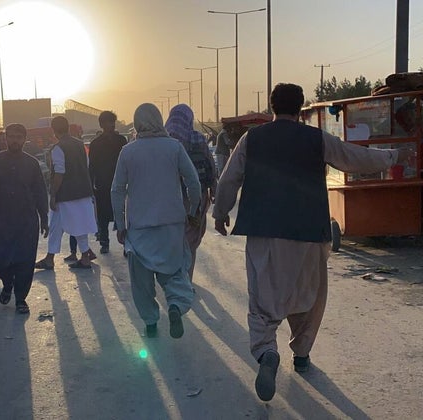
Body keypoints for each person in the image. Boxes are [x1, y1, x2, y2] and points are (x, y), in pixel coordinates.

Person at [213, 83, 412, 402]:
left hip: (264, 231)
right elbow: (355, 159)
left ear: (271, 106)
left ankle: (266, 352)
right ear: (301, 106)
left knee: (263, 299)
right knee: (309, 296)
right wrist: (395, 155)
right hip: (309, 231)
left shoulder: (253, 138)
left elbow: (229, 178)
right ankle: (302, 354)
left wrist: (220, 213)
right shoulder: (317, 138)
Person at [111, 103, 201, 339]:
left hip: (139, 228)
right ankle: (175, 306)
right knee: (175, 274)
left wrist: (120, 225)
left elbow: (117, 190)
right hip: (172, 225)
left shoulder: (128, 152)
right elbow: (193, 183)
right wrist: (193, 212)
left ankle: (151, 323)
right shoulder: (174, 147)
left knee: (141, 282)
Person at [0, 123, 49, 314]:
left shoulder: (32, 163)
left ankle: (20, 299)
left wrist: (44, 217)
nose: (15, 140)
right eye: (11, 136)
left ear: (25, 139)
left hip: (27, 220)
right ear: (5, 138)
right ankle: (7, 283)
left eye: (19, 137)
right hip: (1, 219)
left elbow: (40, 192)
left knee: (25, 261)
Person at [35, 116, 98, 270]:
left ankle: (81, 257)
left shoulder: (58, 148)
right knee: (64, 225)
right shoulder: (80, 145)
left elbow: (59, 173)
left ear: (53, 130)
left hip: (66, 195)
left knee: (67, 225)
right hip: (83, 191)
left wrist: (54, 194)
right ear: (69, 127)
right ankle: (56, 257)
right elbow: (86, 165)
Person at [164, 104, 217, 281]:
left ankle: (173, 278)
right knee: (191, 239)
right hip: (197, 198)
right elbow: (210, 166)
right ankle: (187, 278)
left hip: (169, 199)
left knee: (171, 240)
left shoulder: (164, 140)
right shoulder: (198, 138)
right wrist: (214, 189)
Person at [88, 111, 127, 254]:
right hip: (102, 184)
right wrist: (91, 184)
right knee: (103, 215)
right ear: (101, 124)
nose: (110, 125)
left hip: (120, 183)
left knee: (122, 214)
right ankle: (104, 242)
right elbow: (91, 166)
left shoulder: (121, 141)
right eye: (107, 122)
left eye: (112, 122)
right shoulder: (95, 144)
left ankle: (125, 242)